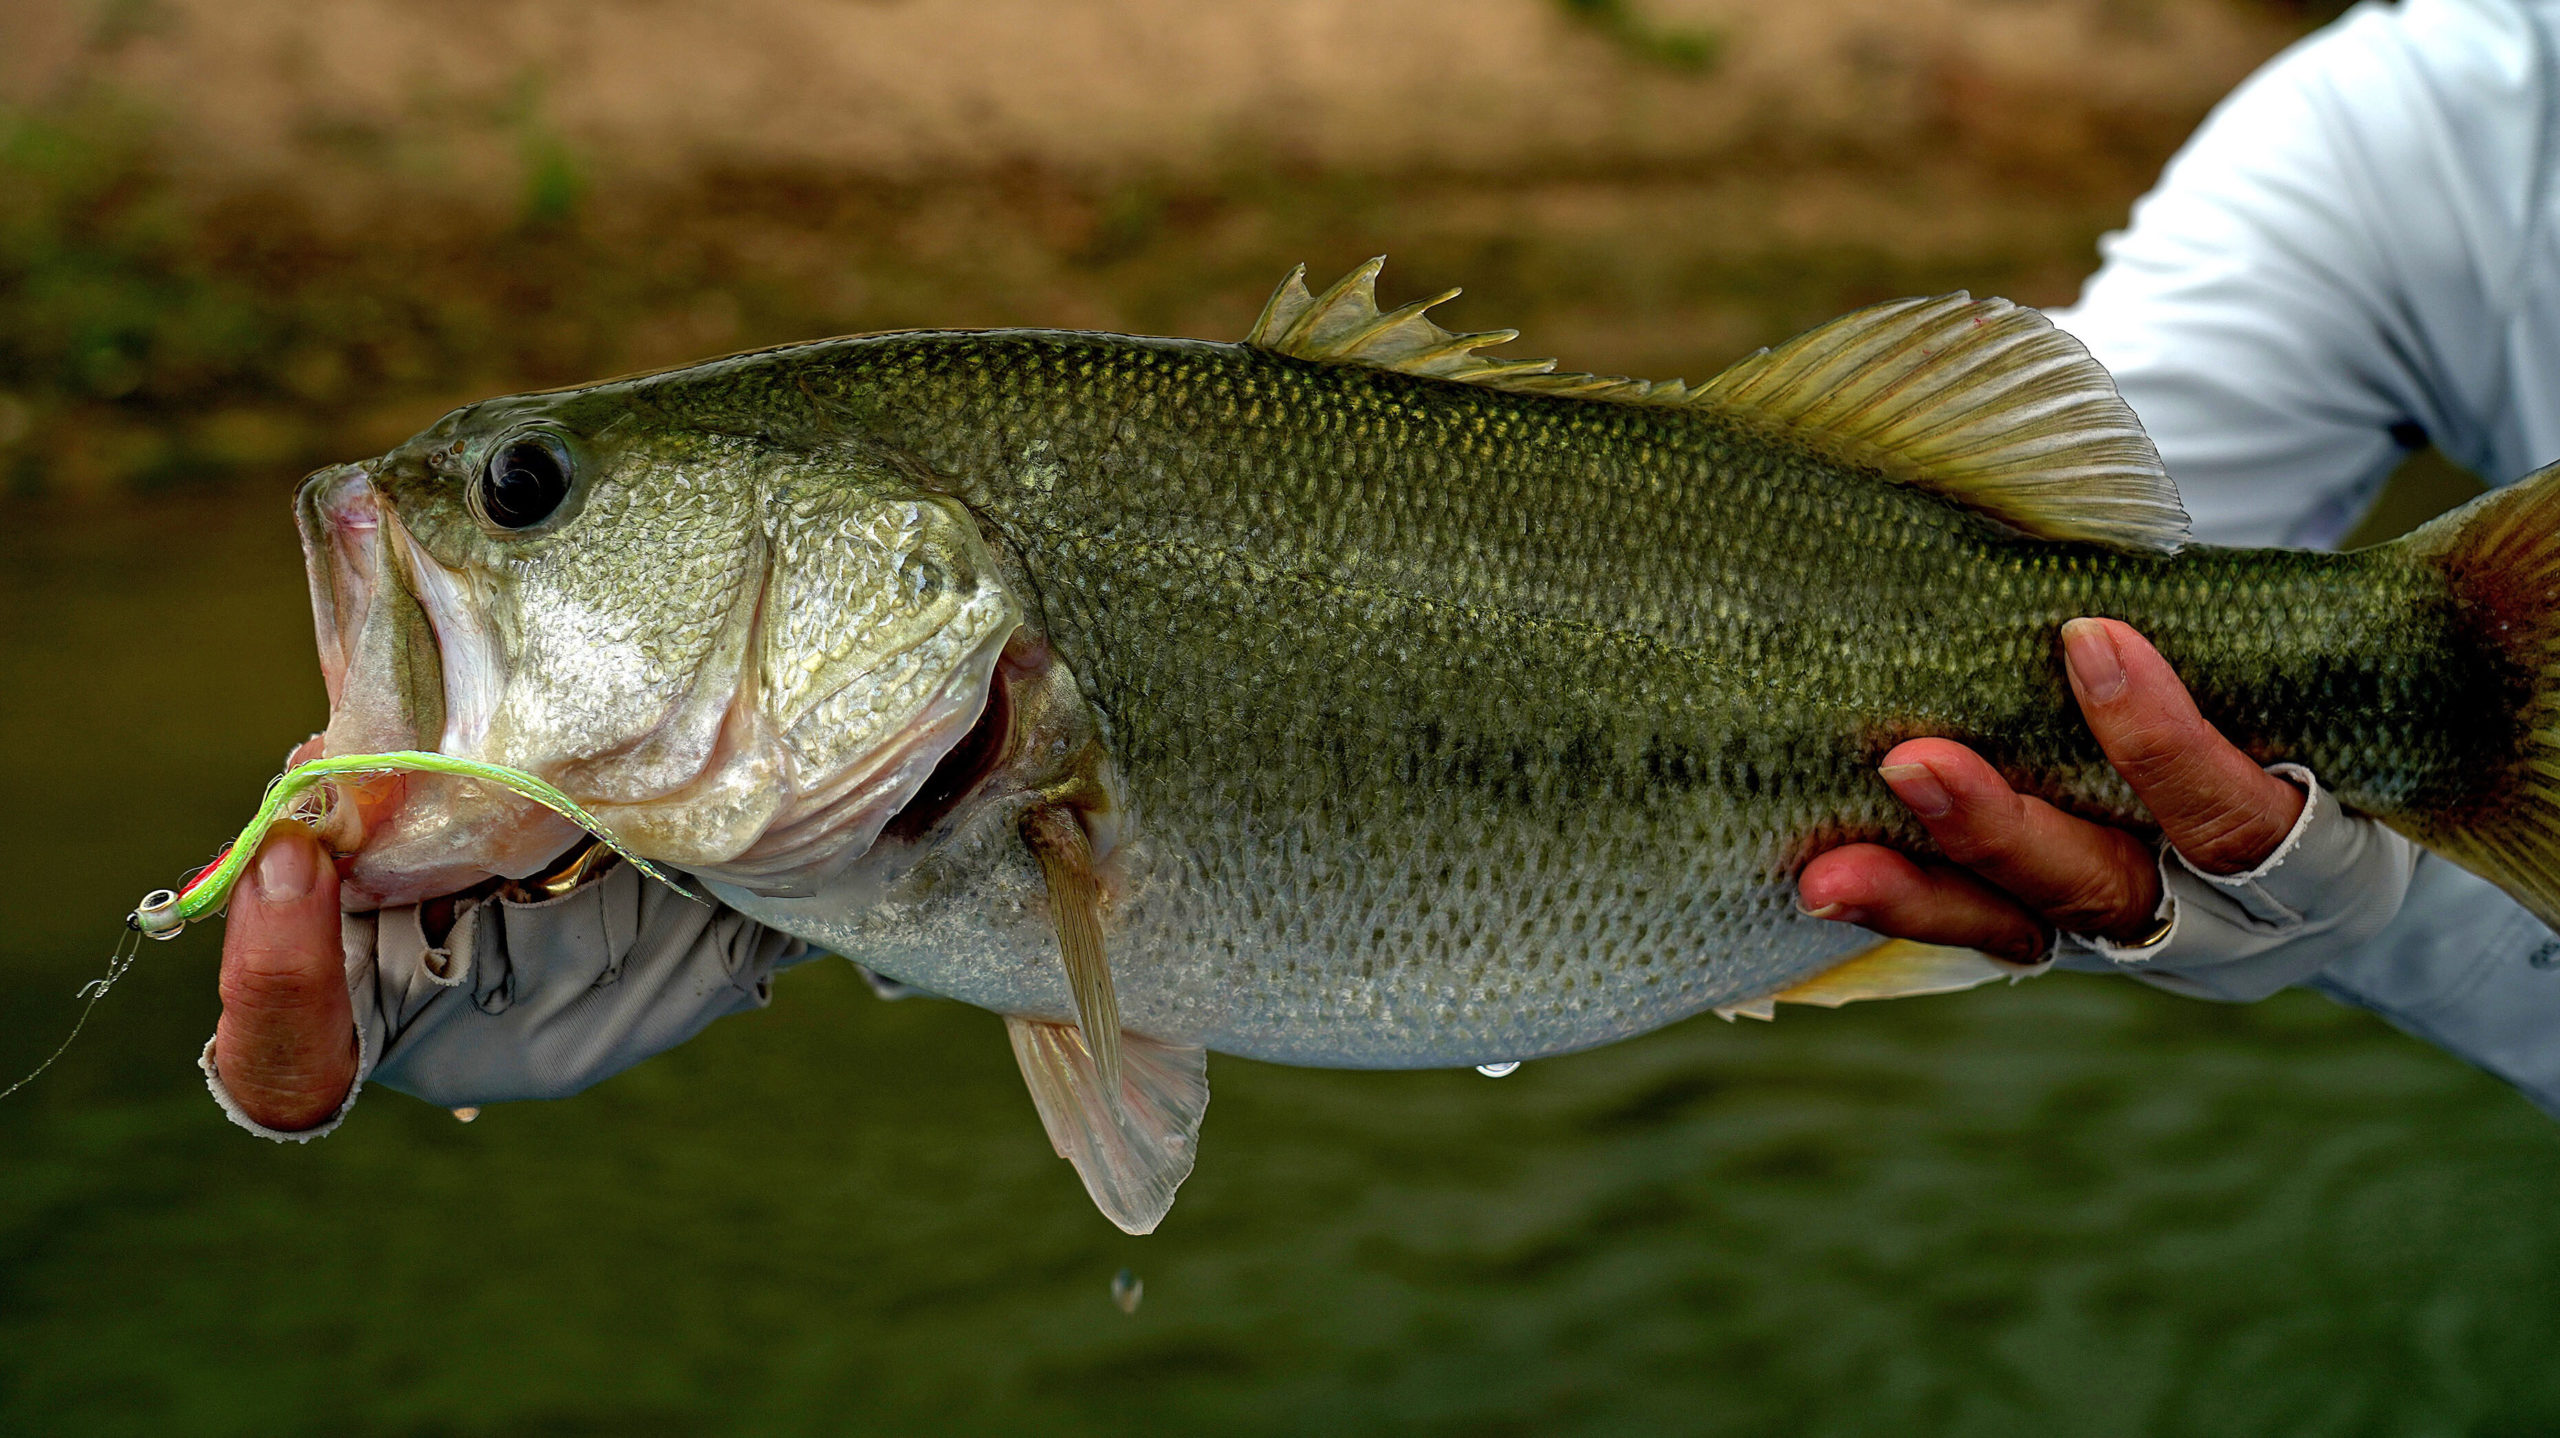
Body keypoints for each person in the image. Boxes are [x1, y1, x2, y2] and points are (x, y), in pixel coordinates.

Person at [204, 0, 2560, 1135]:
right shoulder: (2400, 133)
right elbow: (2106, 572)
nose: (456, 518)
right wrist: (626, 897)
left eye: (530, 498)